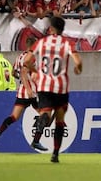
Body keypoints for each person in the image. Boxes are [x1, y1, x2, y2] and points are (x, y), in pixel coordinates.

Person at [24, 16, 83, 163]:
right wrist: (78, 69)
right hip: (61, 87)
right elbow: (78, 62)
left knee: (45, 112)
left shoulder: (41, 42)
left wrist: (36, 71)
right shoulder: (67, 43)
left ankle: (43, 118)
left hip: (44, 85)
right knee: (60, 120)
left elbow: (26, 61)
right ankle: (55, 153)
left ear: (51, 28)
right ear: (63, 29)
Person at [0, 37, 38, 149]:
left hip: (21, 91)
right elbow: (24, 72)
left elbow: (13, 73)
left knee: (14, 117)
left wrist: (21, 80)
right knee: (45, 115)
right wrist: (29, 88)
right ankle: (36, 140)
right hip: (31, 92)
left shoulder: (19, 57)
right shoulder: (31, 57)